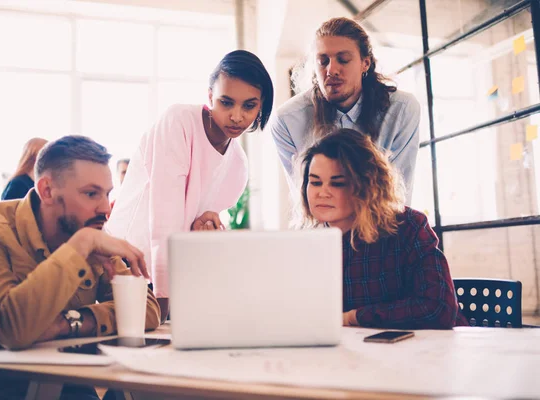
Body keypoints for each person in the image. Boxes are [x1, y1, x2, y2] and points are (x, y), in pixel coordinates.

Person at [0, 136, 161, 399]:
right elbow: (11, 329)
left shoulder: (87, 230)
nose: (105, 208)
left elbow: (146, 309)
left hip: (64, 377)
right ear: (46, 191)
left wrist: (70, 322)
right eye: (91, 194)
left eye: (107, 194)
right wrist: (81, 245)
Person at [106, 50, 274, 319]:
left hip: (172, 283)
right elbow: (165, 221)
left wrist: (206, 227)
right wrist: (163, 305)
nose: (236, 116)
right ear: (210, 97)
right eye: (226, 102)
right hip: (123, 263)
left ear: (261, 105)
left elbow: (195, 231)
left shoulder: (238, 166)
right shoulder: (179, 122)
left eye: (249, 106)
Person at [299, 129, 467, 329]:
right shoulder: (307, 243)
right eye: (315, 182)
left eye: (338, 183)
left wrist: (354, 317)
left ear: (367, 186)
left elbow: (439, 309)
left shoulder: (408, 226)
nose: (322, 193)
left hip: (427, 351)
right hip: (351, 353)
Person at [269, 17, 420, 203]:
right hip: (323, 229)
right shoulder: (287, 120)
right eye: (323, 61)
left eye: (343, 60)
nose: (332, 70)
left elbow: (397, 198)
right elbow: (307, 203)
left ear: (365, 63)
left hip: (383, 226)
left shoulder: (402, 109)